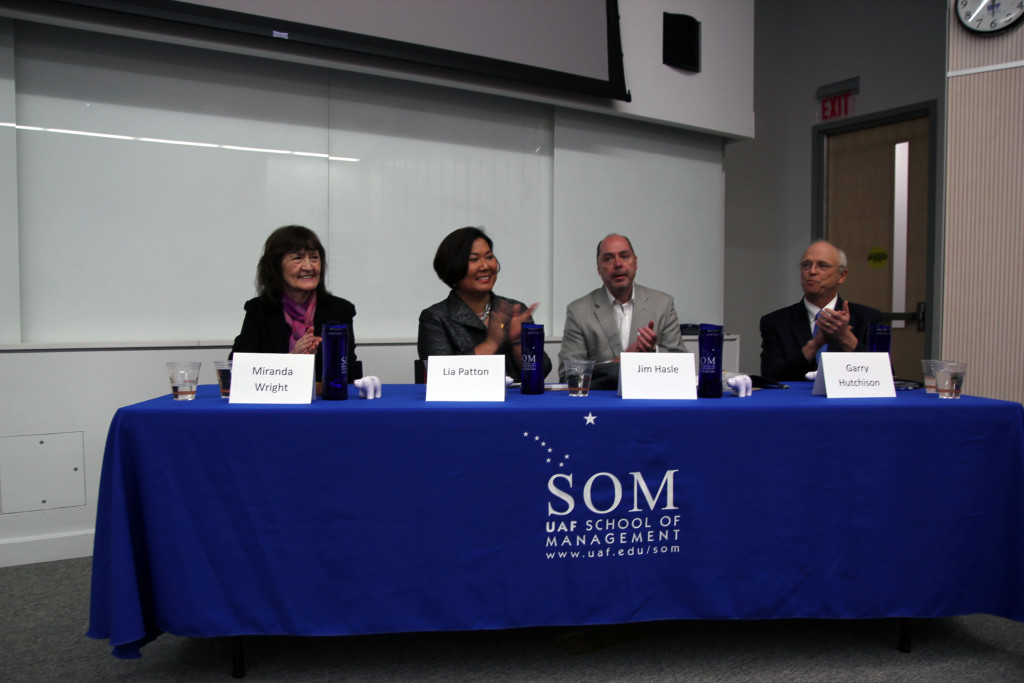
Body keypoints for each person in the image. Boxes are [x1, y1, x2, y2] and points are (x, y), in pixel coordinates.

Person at [231, 225, 380, 397]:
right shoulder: (259, 309)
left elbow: (347, 372)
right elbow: (238, 368)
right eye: (298, 258)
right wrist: (292, 358)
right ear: (276, 266)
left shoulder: (339, 310)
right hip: (270, 405)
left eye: (314, 258)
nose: (309, 267)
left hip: (324, 406)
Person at [418, 226, 552, 382]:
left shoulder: (514, 310)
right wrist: (491, 343)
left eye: (489, 257)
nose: (485, 266)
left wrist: (519, 342)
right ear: (453, 268)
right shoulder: (435, 318)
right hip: (462, 405)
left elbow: (542, 371)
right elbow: (441, 376)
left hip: (514, 404)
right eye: (474, 259)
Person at [557, 234, 687, 388]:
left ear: (635, 263)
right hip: (601, 406)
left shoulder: (662, 305)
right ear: (598, 268)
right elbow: (569, 376)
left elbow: (682, 368)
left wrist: (653, 352)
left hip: (649, 400)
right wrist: (620, 362)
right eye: (608, 259)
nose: (618, 264)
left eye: (625, 256)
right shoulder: (579, 311)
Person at [759, 239, 881, 381]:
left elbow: (884, 375)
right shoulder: (775, 322)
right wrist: (814, 345)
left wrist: (845, 337)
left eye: (822, 266)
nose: (812, 271)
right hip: (795, 401)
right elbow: (770, 376)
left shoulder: (868, 318)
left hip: (846, 402)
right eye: (806, 265)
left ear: (842, 275)